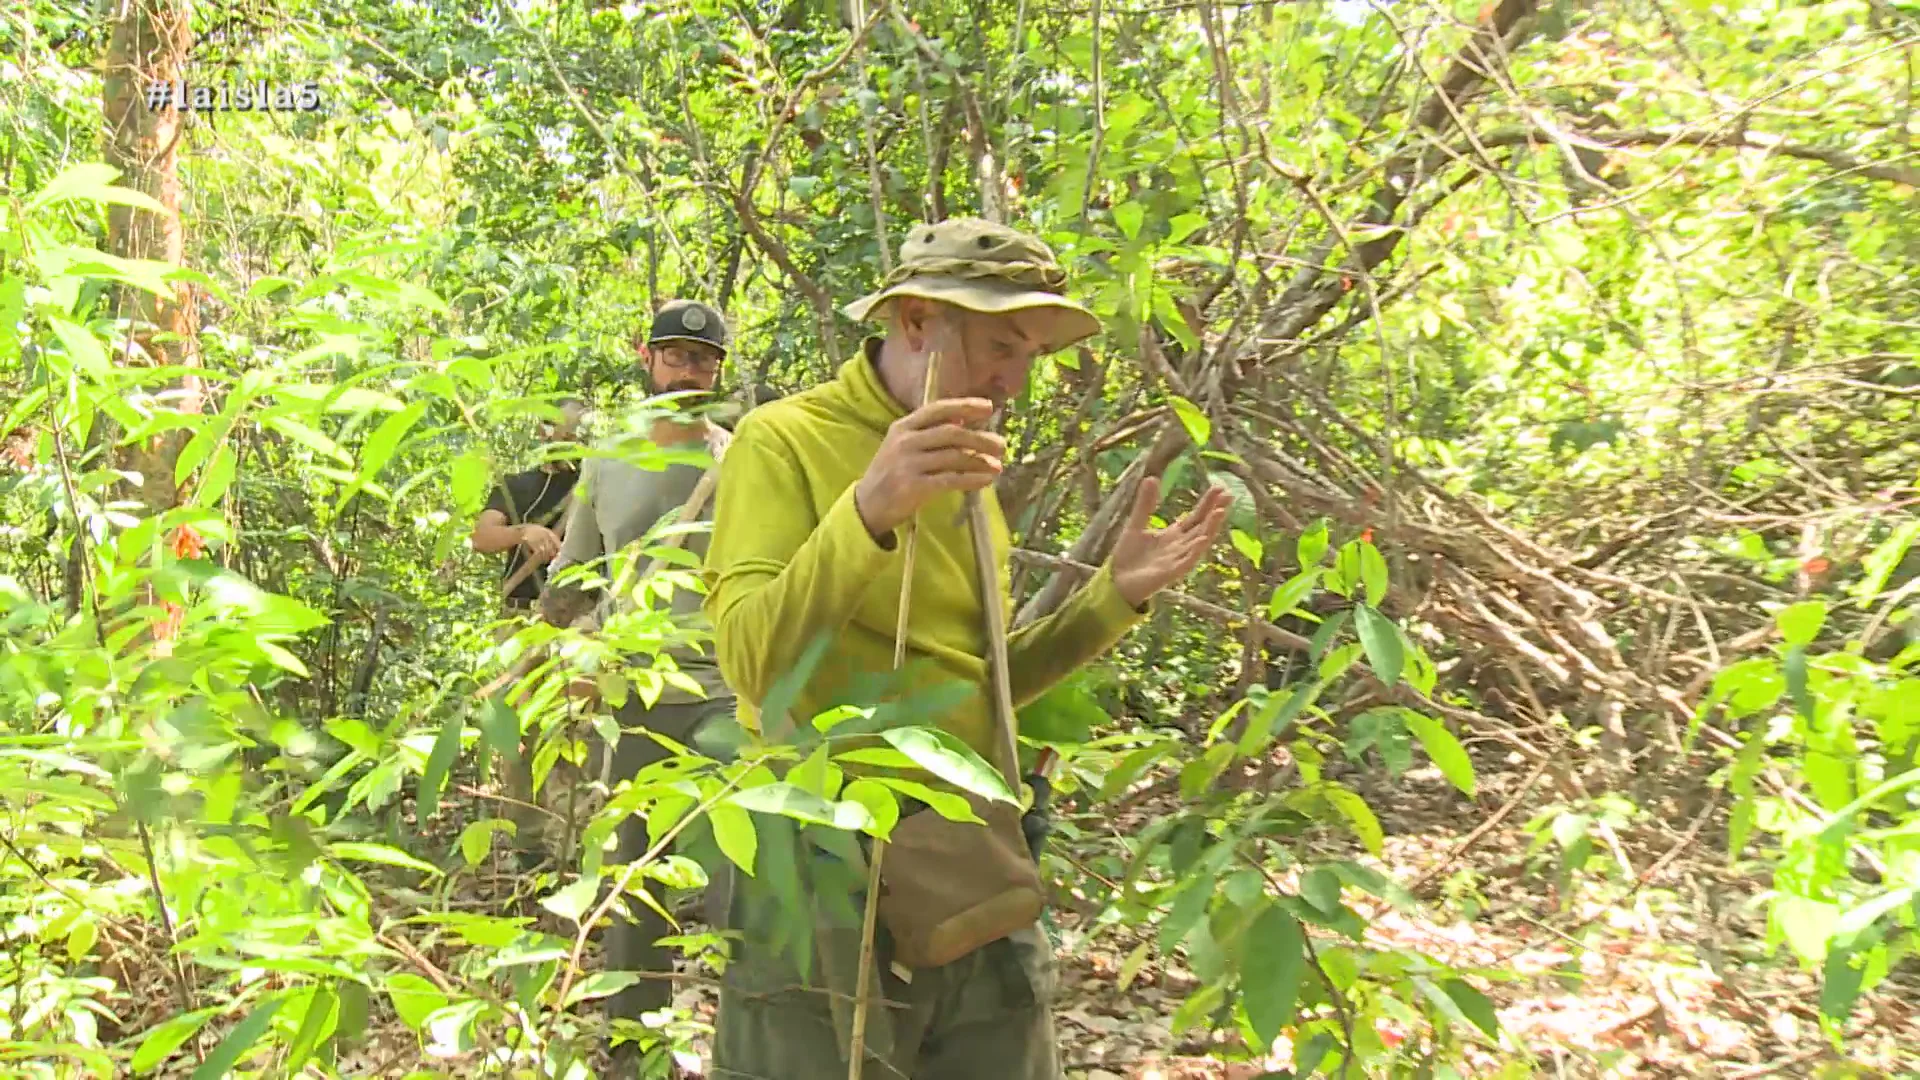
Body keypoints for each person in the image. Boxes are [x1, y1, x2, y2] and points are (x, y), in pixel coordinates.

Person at [702, 218, 1231, 1080]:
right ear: (915, 320)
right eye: (997, 345)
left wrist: (1115, 596)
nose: (1014, 380)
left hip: (970, 855)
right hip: (823, 867)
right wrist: (867, 510)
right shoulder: (784, 439)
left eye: (1030, 354)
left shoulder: (962, 462)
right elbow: (750, 664)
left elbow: (973, 687)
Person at [540, 299, 738, 1070]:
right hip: (636, 689)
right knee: (636, 874)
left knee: (743, 870)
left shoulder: (741, 456)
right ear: (646, 358)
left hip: (727, 685)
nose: (688, 371)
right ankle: (632, 1047)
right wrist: (561, 647)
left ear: (718, 369)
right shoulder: (609, 458)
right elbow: (573, 581)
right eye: (675, 356)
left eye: (702, 359)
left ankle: (755, 1042)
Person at [469, 397, 587, 865]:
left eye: (576, 429)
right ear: (544, 432)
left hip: (580, 620)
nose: (568, 437)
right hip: (520, 618)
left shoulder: (596, 484)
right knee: (519, 730)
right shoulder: (518, 485)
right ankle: (529, 842)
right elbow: (481, 537)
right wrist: (524, 533)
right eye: (560, 428)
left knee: (577, 727)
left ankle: (573, 841)